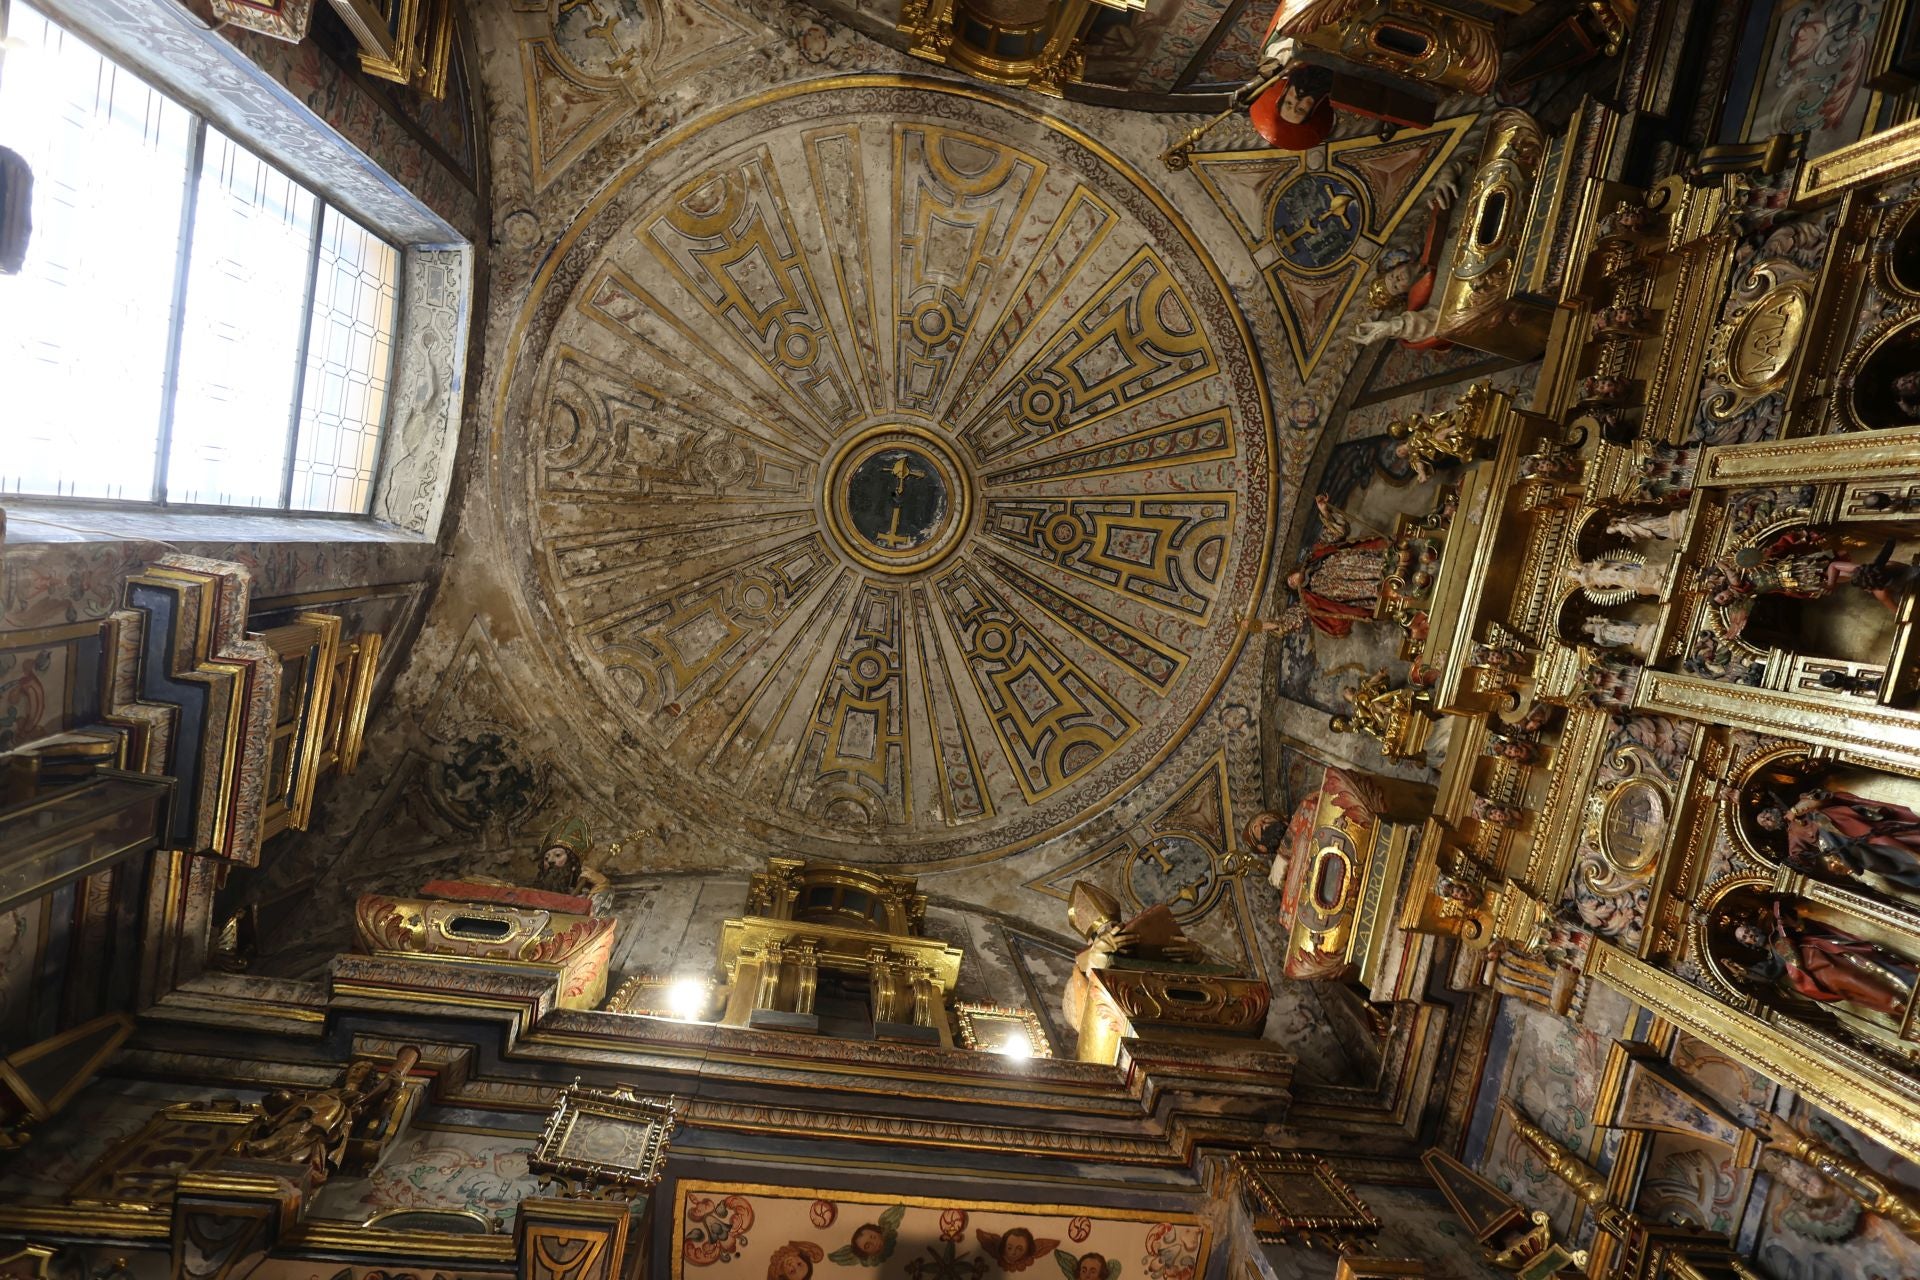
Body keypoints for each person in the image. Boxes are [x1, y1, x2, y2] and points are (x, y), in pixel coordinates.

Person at [1732, 897, 1916, 1019]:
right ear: (1749, 945)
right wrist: (1744, 972)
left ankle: (1910, 982)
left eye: (1749, 931)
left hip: (1829, 952)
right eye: (1746, 938)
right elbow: (1769, 973)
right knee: (1860, 984)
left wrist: (1795, 924)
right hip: (1823, 974)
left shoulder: (1779, 933)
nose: (1751, 936)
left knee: (1870, 965)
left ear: (1755, 928)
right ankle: (1904, 1007)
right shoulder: (1774, 959)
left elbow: (1808, 928)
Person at [1243, 495, 1386, 639]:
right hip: (1357, 591)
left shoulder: (1315, 556)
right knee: (1378, 590)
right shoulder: (1308, 599)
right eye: (1291, 585)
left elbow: (1333, 533)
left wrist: (1324, 510)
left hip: (1363, 563)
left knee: (1384, 564)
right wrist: (1259, 625)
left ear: (1295, 571)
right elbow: (1288, 621)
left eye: (1290, 578)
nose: (1292, 581)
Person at [1757, 787, 1920, 893]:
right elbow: (1800, 856)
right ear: (1772, 828)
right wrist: (1796, 862)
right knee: (1882, 863)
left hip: (1846, 824)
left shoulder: (1799, 802)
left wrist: (1795, 810)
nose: (1767, 819)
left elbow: (1821, 797)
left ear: (1772, 809)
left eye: (1765, 815)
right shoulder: (1793, 834)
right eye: (1765, 822)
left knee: (1888, 843)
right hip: (1846, 850)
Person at [1249, 64, 1335, 151]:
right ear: (1313, 109)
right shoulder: (1338, 83)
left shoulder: (1282, 63)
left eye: (1289, 103)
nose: (1297, 100)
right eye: (1300, 109)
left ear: (1284, 93)